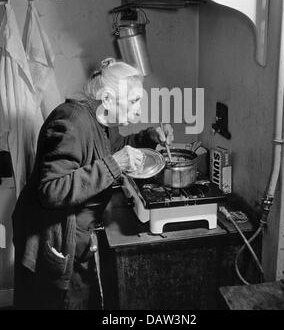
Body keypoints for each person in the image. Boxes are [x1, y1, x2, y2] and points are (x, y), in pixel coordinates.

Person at [12, 57, 174, 310]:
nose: (139, 110)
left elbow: (110, 148)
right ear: (107, 98)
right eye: (134, 101)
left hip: (77, 235)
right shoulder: (71, 121)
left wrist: (148, 136)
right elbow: (51, 190)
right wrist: (115, 165)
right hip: (50, 237)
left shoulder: (102, 119)